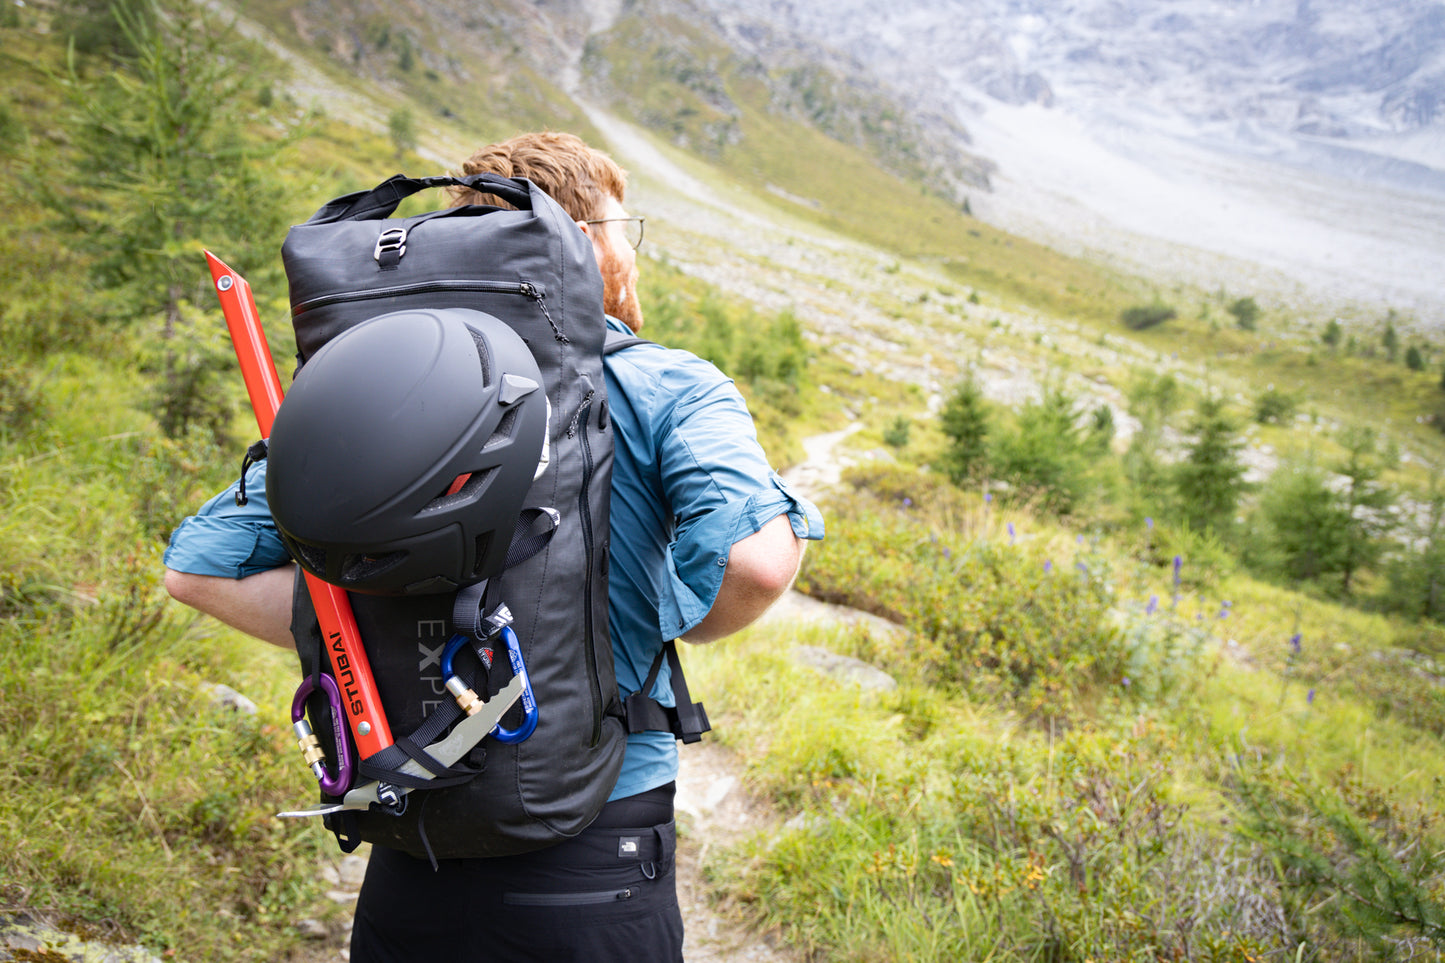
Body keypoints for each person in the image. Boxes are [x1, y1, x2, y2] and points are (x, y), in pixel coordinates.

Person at [163, 131, 824, 961]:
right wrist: (672, 626)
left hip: (411, 837)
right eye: (624, 228)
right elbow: (757, 563)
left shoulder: (386, 395)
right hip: (594, 851)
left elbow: (198, 566)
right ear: (585, 246)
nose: (631, 251)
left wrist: (356, 617)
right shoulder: (668, 383)